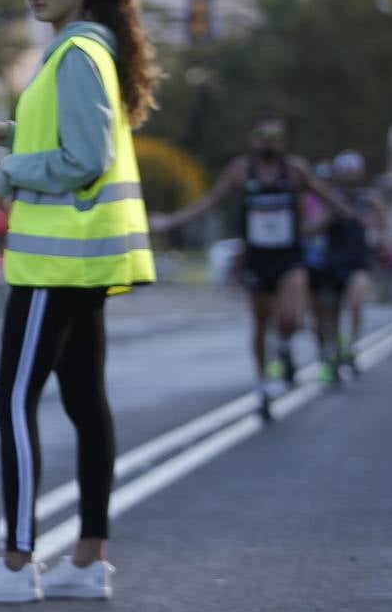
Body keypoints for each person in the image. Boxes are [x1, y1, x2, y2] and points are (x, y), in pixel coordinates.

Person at [0, 0, 157, 604]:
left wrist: (13, 169)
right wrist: (9, 132)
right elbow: (73, 137)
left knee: (12, 399)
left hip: (53, 262)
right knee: (83, 403)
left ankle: (15, 564)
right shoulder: (88, 50)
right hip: (78, 260)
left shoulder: (74, 54)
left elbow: (85, 158)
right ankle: (88, 560)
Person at [149, 114, 354, 418]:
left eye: (275, 136)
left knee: (290, 319)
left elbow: (330, 202)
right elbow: (209, 202)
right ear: (253, 139)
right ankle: (262, 385)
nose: (268, 142)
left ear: (283, 141)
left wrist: (333, 221)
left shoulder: (295, 170)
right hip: (257, 257)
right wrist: (170, 221)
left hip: (289, 257)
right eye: (262, 135)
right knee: (261, 323)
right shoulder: (242, 171)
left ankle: (283, 347)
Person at [312, 150, 385, 380]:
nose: (350, 176)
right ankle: (332, 354)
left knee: (355, 303)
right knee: (329, 313)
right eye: (346, 171)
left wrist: (378, 234)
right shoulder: (331, 198)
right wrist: (332, 214)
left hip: (358, 262)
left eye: (354, 171)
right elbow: (315, 228)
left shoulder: (369, 199)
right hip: (333, 263)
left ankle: (351, 347)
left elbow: (380, 227)